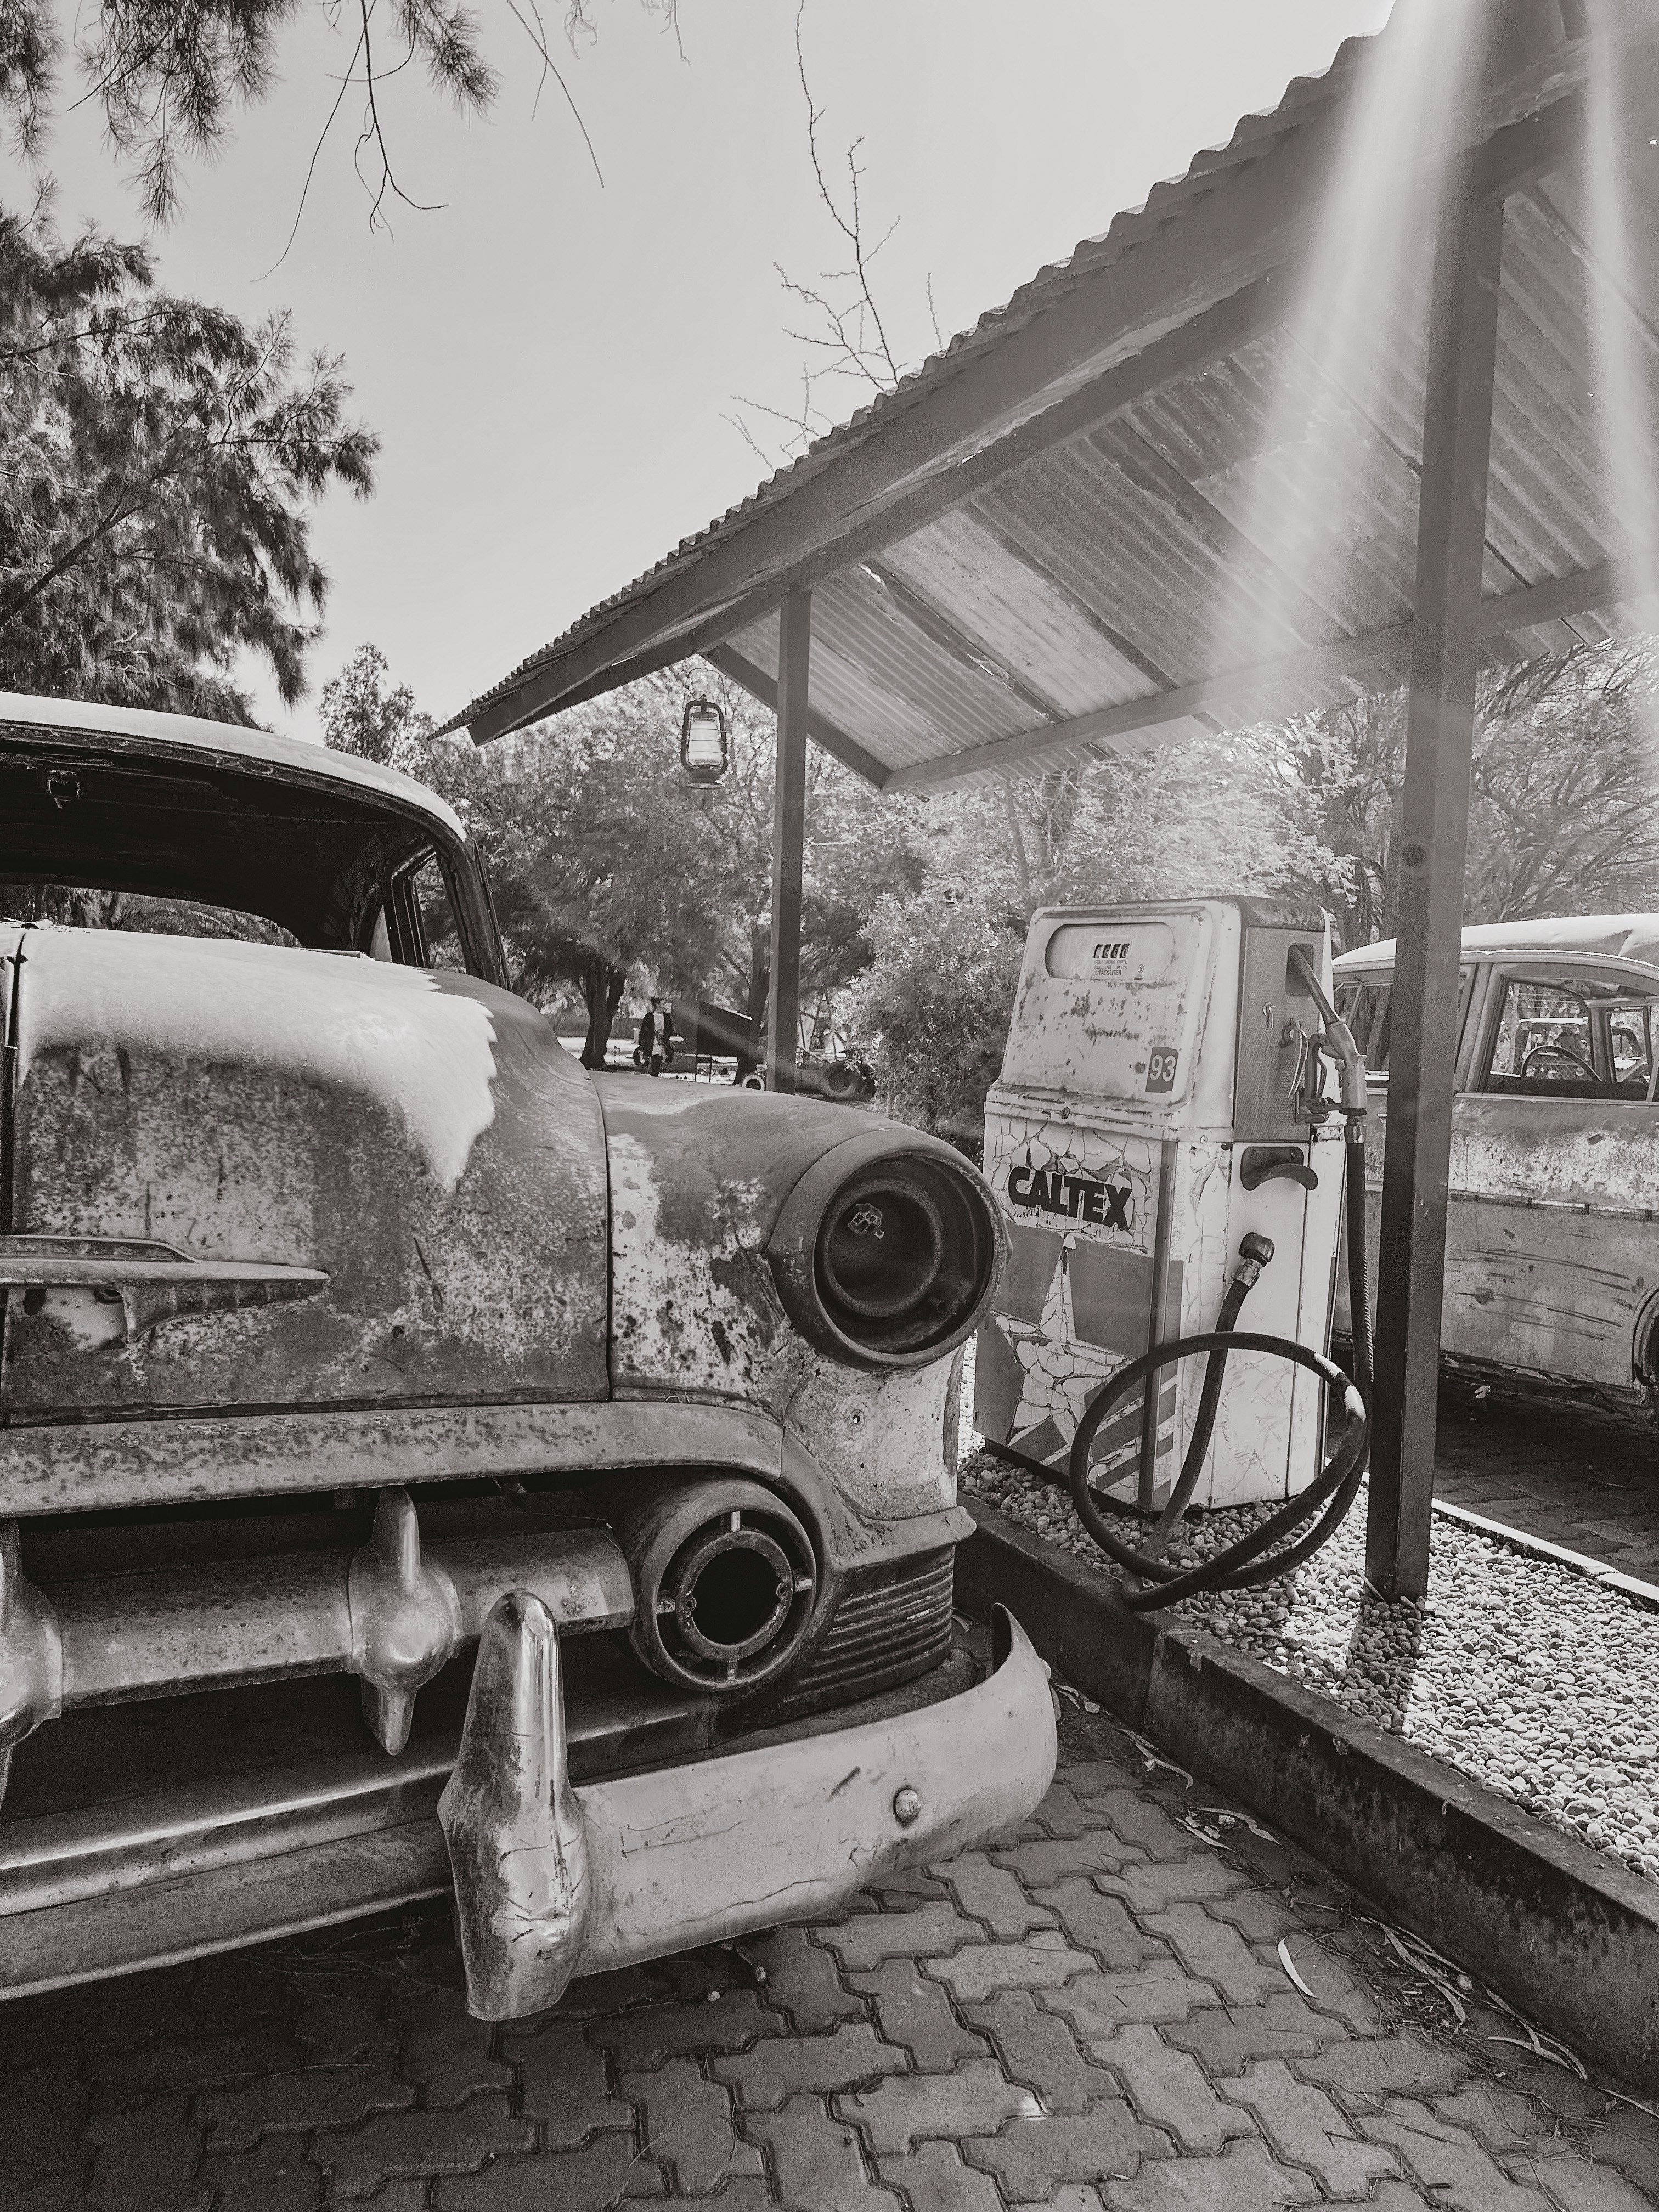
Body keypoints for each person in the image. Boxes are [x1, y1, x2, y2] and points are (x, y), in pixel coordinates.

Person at [639, 996, 673, 1077]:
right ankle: (654, 1077)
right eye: (663, 1004)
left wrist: (665, 1035)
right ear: (657, 1005)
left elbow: (670, 1030)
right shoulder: (649, 1017)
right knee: (655, 1062)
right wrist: (642, 1047)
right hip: (652, 1044)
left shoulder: (667, 1017)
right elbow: (644, 1033)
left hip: (662, 1044)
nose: (665, 1006)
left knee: (658, 1062)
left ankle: (655, 1077)